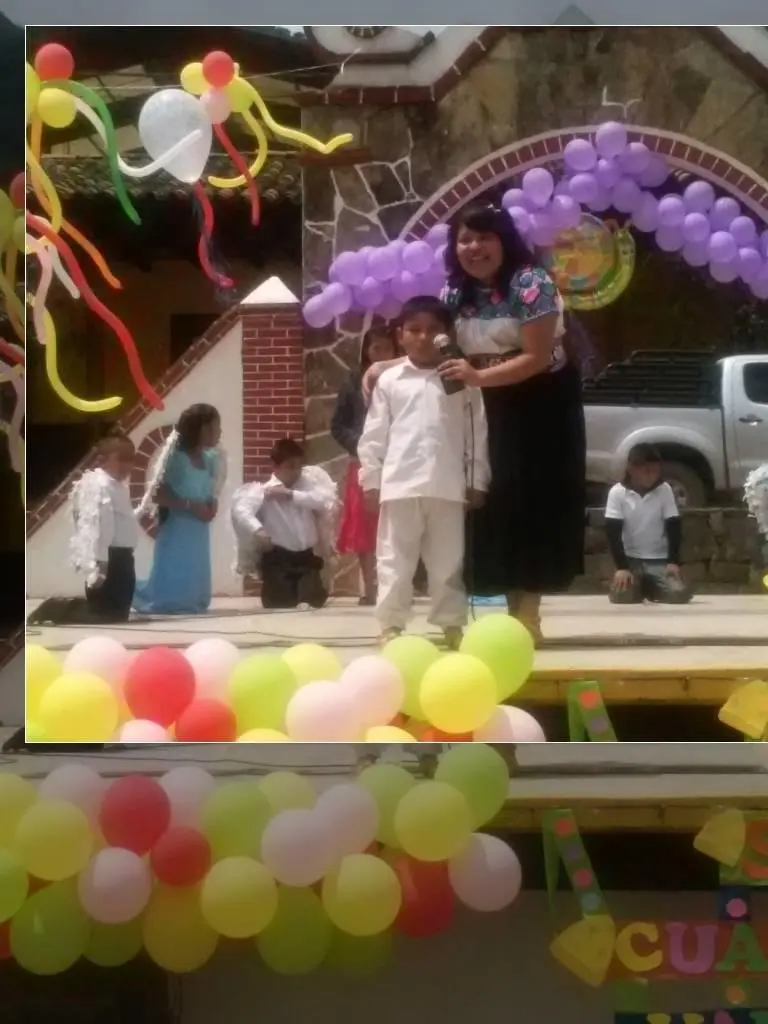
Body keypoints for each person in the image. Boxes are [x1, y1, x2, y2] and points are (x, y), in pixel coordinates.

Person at [365, 202, 586, 644]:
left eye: (484, 237)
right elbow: (441, 350)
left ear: (504, 241)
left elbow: (536, 356)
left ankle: (527, 612)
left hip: (537, 405)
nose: (474, 247)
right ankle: (493, 609)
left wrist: (479, 377)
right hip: (480, 403)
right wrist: (386, 365)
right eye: (464, 239)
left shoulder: (532, 283)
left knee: (531, 503)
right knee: (489, 504)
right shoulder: (454, 291)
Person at [358, 295, 490, 648]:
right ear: (400, 335)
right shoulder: (390, 380)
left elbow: (476, 432)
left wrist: (477, 479)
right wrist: (370, 479)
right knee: (394, 561)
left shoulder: (461, 379)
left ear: (447, 334)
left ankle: (451, 624)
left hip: (447, 484)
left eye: (433, 330)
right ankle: (391, 625)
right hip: (399, 483)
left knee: (447, 563)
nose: (423, 337)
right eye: (414, 330)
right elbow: (374, 434)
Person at [28, 430, 139, 626]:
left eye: (131, 459)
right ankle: (55, 608)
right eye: (121, 459)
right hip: (108, 557)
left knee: (117, 613)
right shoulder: (99, 486)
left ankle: (64, 608)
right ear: (102, 460)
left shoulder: (116, 486)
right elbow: (99, 526)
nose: (127, 465)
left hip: (123, 557)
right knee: (105, 614)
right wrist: (101, 563)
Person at [133, 403, 225, 615]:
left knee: (195, 568)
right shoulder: (175, 458)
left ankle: (192, 599)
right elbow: (157, 493)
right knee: (176, 570)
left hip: (199, 528)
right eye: (215, 427)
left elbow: (212, 488)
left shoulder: (211, 458)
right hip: (177, 525)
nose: (219, 432)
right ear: (202, 429)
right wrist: (190, 505)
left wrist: (212, 506)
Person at [331, 324, 399, 605]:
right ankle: (370, 588)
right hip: (362, 464)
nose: (381, 353)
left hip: (398, 462)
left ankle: (395, 586)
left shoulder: (403, 378)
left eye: (387, 348)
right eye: (376, 348)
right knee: (364, 528)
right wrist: (361, 445)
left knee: (395, 525)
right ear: (366, 351)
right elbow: (337, 425)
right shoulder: (354, 381)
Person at [231, 438, 338, 609]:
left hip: (305, 557)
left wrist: (290, 494)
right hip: (279, 558)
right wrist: (258, 529)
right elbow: (241, 510)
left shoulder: (306, 487)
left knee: (312, 599)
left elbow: (324, 500)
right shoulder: (264, 491)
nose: (296, 472)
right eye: (290, 466)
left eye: (299, 466)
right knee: (279, 602)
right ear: (275, 466)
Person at [604, 443, 692, 605]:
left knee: (679, 594)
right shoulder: (617, 493)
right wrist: (622, 567)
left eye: (655, 471)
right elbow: (612, 532)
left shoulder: (664, 490)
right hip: (631, 559)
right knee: (622, 596)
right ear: (631, 469)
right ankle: (640, 586)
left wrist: (673, 561)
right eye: (646, 472)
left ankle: (653, 587)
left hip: (658, 560)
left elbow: (673, 525)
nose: (652, 476)